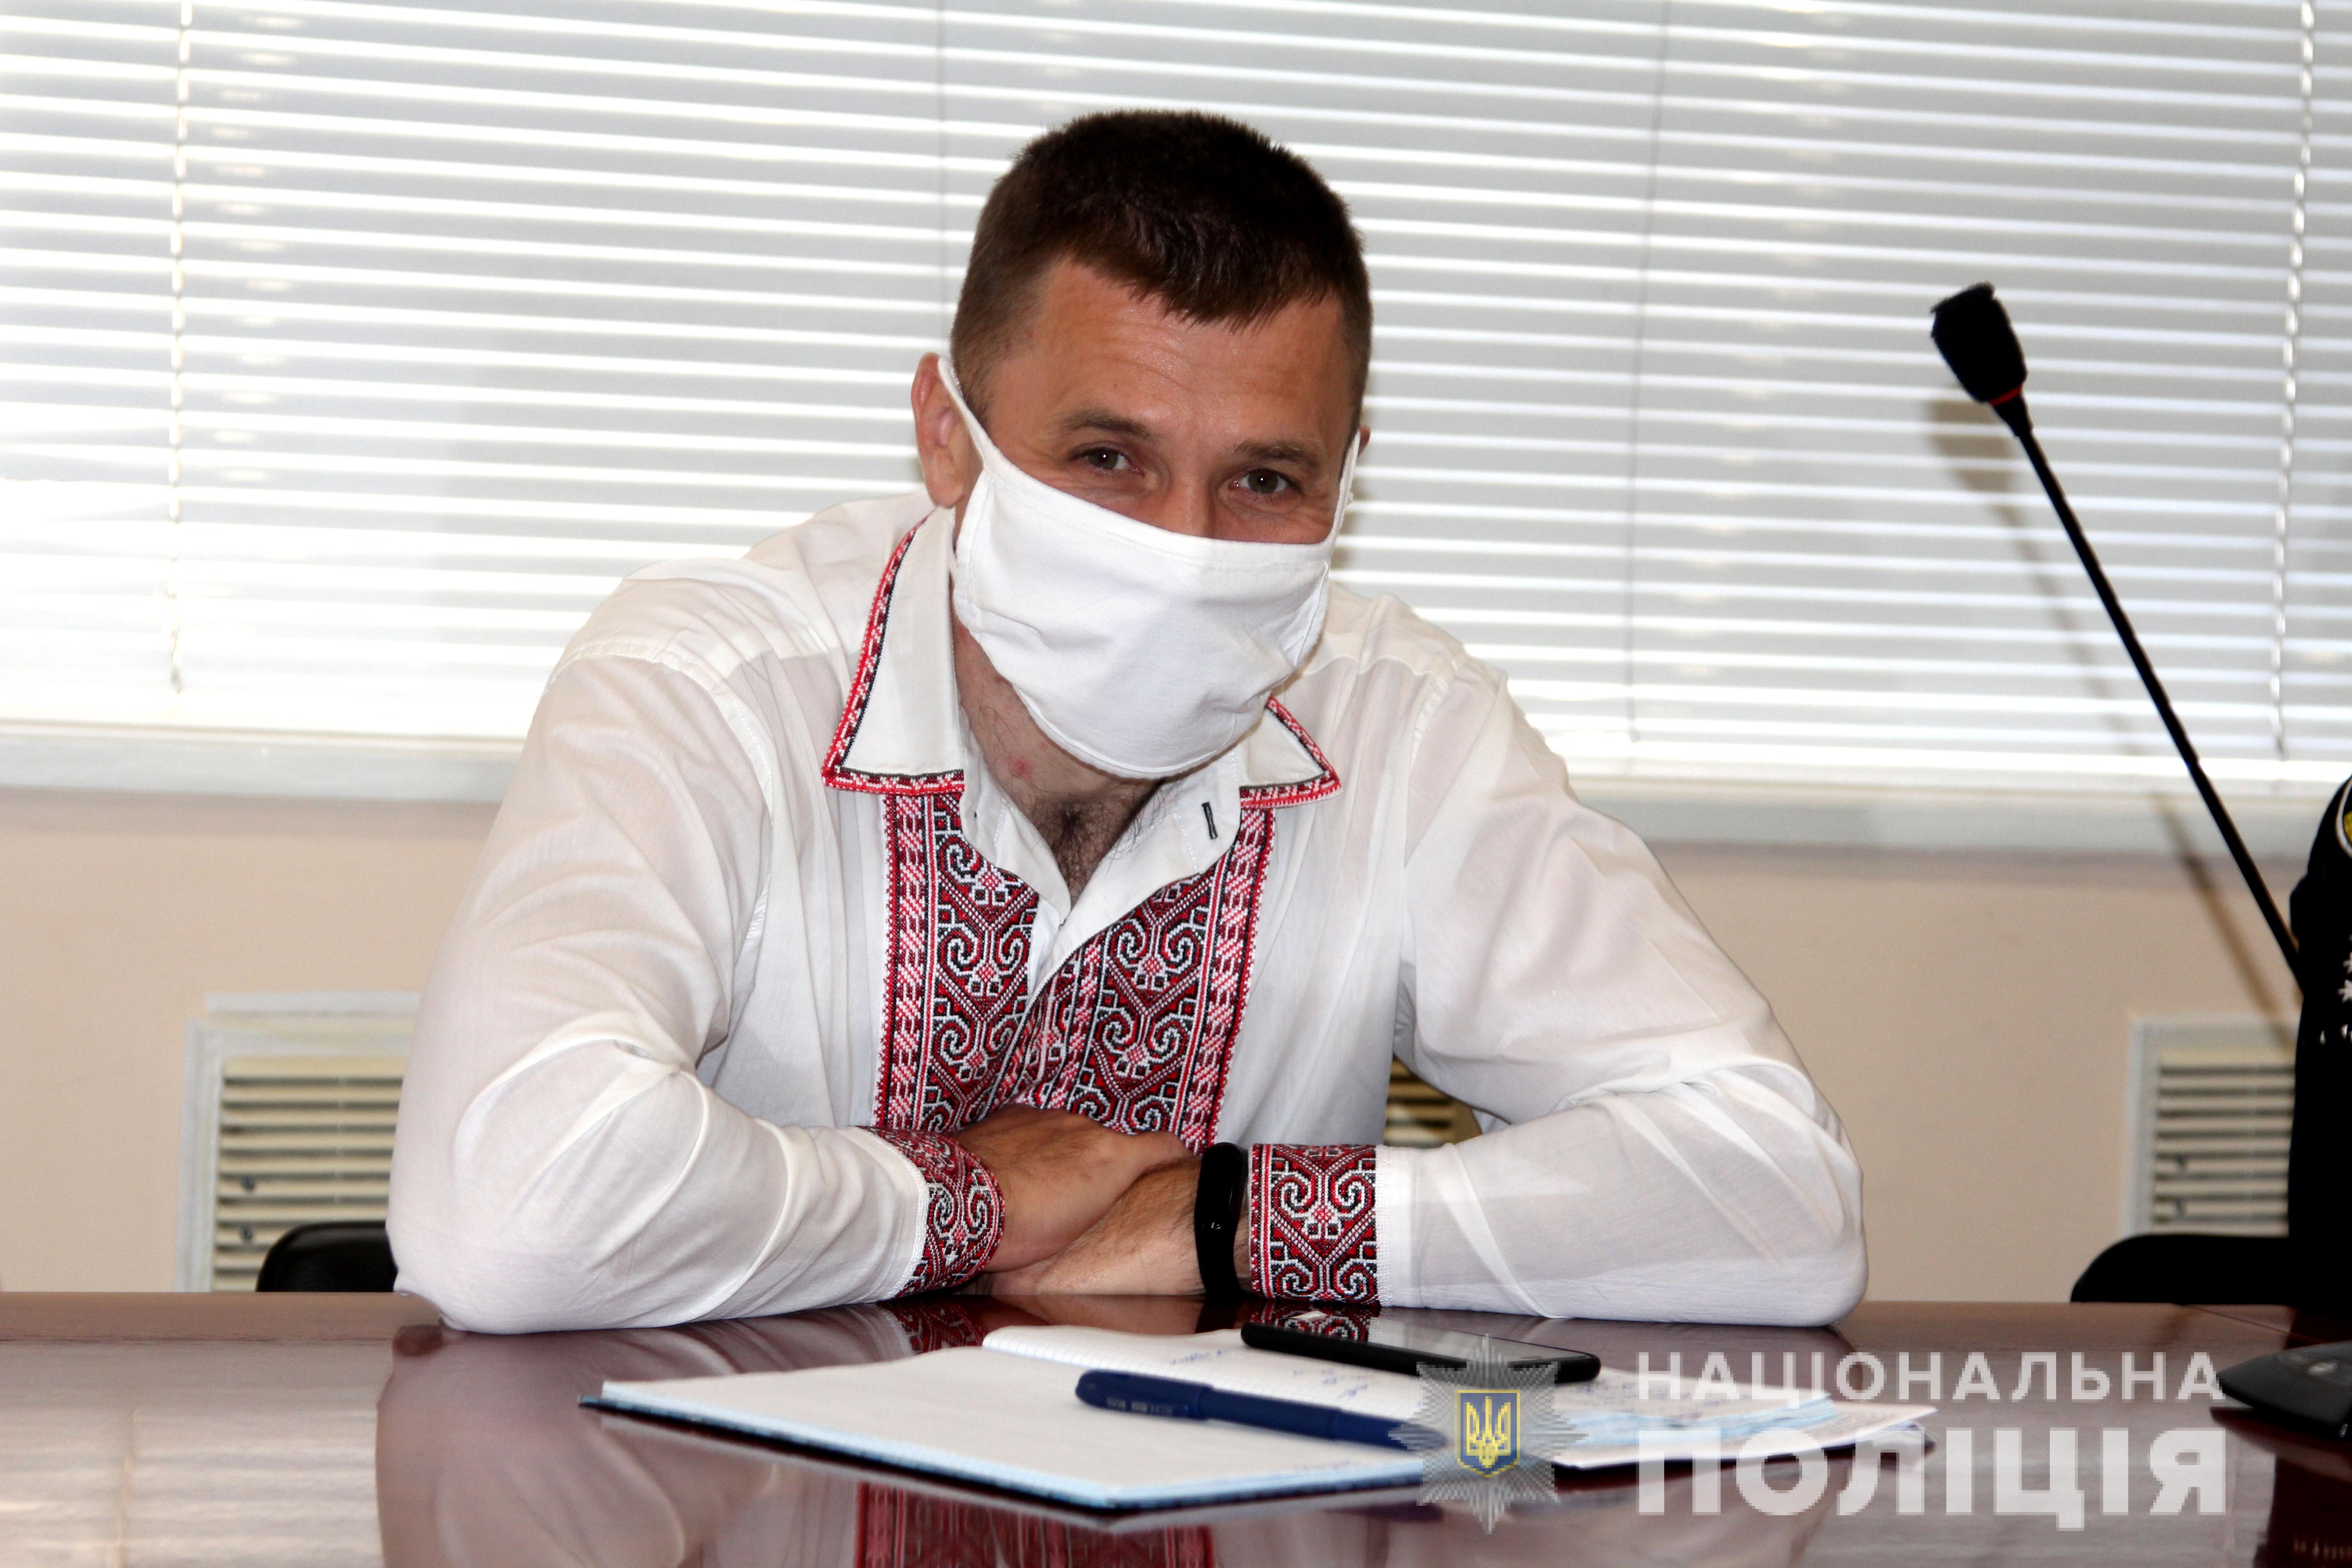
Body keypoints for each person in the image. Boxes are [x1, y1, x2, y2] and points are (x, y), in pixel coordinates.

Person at [387, 110, 1866, 1333]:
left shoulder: (1405, 724)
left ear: (1349, 478)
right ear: (948, 437)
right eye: (1108, 457)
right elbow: (515, 1211)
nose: (1185, 550)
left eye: (1265, 481)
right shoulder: (712, 682)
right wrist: (970, 1201)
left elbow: (1777, 1198)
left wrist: (1225, 1219)